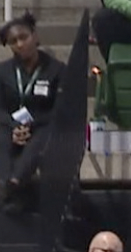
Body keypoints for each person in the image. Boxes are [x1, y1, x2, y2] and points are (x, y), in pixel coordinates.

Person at [0, 13, 64, 215]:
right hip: (12, 127)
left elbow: (59, 110)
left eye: (23, 37)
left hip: (42, 127)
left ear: (35, 36)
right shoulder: (3, 71)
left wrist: (31, 126)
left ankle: (14, 182)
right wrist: (13, 127)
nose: (20, 44)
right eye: (13, 41)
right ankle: (6, 182)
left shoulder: (56, 70)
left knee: (45, 134)